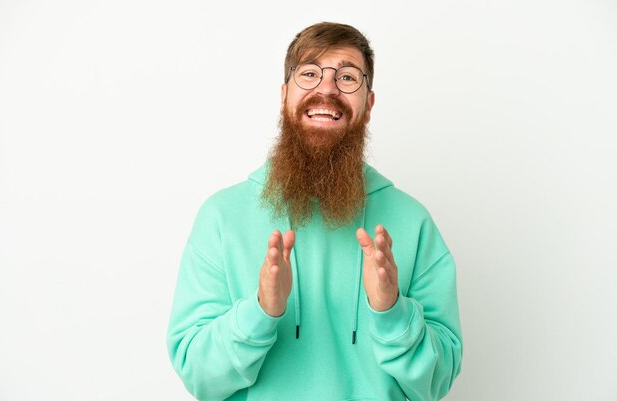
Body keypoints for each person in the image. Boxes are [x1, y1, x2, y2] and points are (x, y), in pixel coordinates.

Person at [166, 22, 462, 401]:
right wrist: (261, 311)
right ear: (284, 95)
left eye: (348, 76)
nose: (327, 88)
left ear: (368, 104)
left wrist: (392, 312)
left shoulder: (413, 221)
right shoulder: (221, 217)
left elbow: (436, 383)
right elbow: (199, 376)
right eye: (309, 73)